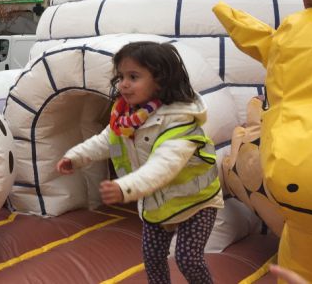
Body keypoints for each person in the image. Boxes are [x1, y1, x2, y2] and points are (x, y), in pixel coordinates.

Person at [56, 41, 223, 284]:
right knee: (152, 259)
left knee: (188, 259)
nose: (123, 84)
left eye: (133, 76)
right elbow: (106, 140)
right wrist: (76, 156)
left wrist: (125, 188)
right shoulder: (126, 118)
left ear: (160, 80)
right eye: (121, 76)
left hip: (196, 204)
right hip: (156, 206)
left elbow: (163, 167)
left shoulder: (179, 122)